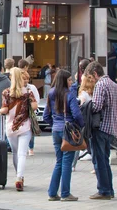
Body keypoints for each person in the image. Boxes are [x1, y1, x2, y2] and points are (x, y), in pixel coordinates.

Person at [44, 69, 84, 201]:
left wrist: (55, 123)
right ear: (64, 81)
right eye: (70, 80)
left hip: (56, 130)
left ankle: (52, 193)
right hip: (68, 131)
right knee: (67, 162)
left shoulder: (51, 93)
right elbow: (77, 114)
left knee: (59, 162)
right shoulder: (70, 95)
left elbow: (46, 116)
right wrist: (80, 125)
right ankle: (65, 193)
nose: (72, 82)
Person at [85, 61, 117, 200]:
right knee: (105, 160)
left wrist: (86, 105)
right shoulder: (113, 84)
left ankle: (104, 190)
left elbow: (97, 106)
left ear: (95, 73)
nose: (91, 81)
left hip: (101, 127)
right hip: (112, 127)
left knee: (99, 160)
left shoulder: (100, 84)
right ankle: (109, 189)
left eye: (91, 77)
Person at [0, 67, 38, 192]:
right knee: (22, 154)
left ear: (11, 78)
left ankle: (18, 175)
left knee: (15, 153)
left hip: (11, 127)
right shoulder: (27, 92)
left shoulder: (6, 92)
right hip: (25, 126)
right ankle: (19, 177)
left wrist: (0, 111)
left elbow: (4, 110)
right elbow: (35, 106)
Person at [20, 68, 39, 156]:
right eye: (24, 78)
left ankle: (31, 148)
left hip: (29, 114)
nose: (26, 81)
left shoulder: (32, 88)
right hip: (20, 115)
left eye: (27, 78)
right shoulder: (17, 89)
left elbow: (37, 100)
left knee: (30, 131)